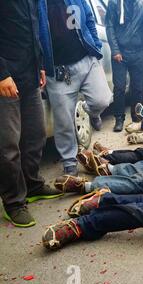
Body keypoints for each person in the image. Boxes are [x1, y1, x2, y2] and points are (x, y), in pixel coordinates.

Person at [0, 0, 63, 228]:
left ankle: (33, 185)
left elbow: (34, 30)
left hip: (30, 73)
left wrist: (40, 66)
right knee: (8, 145)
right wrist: (1, 74)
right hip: (6, 77)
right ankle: (14, 202)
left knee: (35, 134)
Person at [39, 0, 113, 175]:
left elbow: (88, 18)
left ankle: (92, 112)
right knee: (63, 121)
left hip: (86, 60)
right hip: (58, 71)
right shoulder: (37, 4)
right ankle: (69, 162)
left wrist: (96, 45)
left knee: (102, 99)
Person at [106, 0, 143, 132]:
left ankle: (136, 118)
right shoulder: (114, 3)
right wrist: (115, 50)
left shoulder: (142, 4)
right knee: (119, 87)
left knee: (137, 87)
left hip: (139, 52)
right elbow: (109, 27)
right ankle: (119, 119)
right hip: (120, 53)